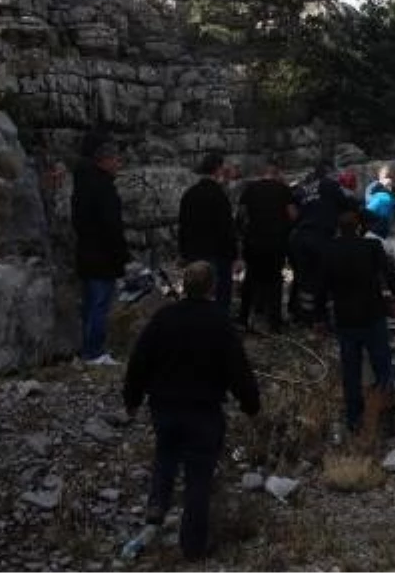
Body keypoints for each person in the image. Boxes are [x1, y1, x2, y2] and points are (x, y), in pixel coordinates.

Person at [122, 261, 260, 563]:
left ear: (184, 285)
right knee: (199, 477)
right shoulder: (219, 323)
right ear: (212, 288)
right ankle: (193, 546)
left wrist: (131, 399)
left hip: (165, 406)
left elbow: (139, 360)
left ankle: (157, 503)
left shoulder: (164, 318)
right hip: (203, 410)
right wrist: (252, 406)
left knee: (166, 454)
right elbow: (239, 371)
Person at [323, 207, 395, 440]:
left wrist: (318, 317)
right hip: (373, 315)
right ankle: (387, 420)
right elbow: (389, 274)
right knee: (383, 368)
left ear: (339, 229)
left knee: (351, 372)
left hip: (346, 319)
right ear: (360, 227)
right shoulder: (371, 246)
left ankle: (354, 420)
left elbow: (321, 286)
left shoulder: (329, 250)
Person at [71, 140, 129, 366]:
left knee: (90, 303)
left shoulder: (82, 185)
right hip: (103, 256)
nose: (118, 164)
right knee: (99, 304)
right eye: (116, 159)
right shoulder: (103, 188)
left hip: (86, 253)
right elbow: (111, 225)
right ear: (104, 161)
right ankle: (94, 351)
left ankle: (87, 348)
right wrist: (122, 254)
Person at [237, 158, 296, 332]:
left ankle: (243, 318)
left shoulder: (250, 189)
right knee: (275, 281)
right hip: (276, 243)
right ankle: (274, 323)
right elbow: (293, 215)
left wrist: (246, 232)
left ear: (261, 173)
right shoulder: (283, 190)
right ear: (276, 172)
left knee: (250, 279)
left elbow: (241, 215)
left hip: (254, 242)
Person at [177, 153, 239, 313]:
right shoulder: (219, 196)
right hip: (217, 254)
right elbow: (226, 228)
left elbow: (183, 226)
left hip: (193, 253)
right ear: (218, 170)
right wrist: (234, 255)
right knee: (219, 296)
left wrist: (183, 252)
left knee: (195, 295)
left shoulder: (189, 194)